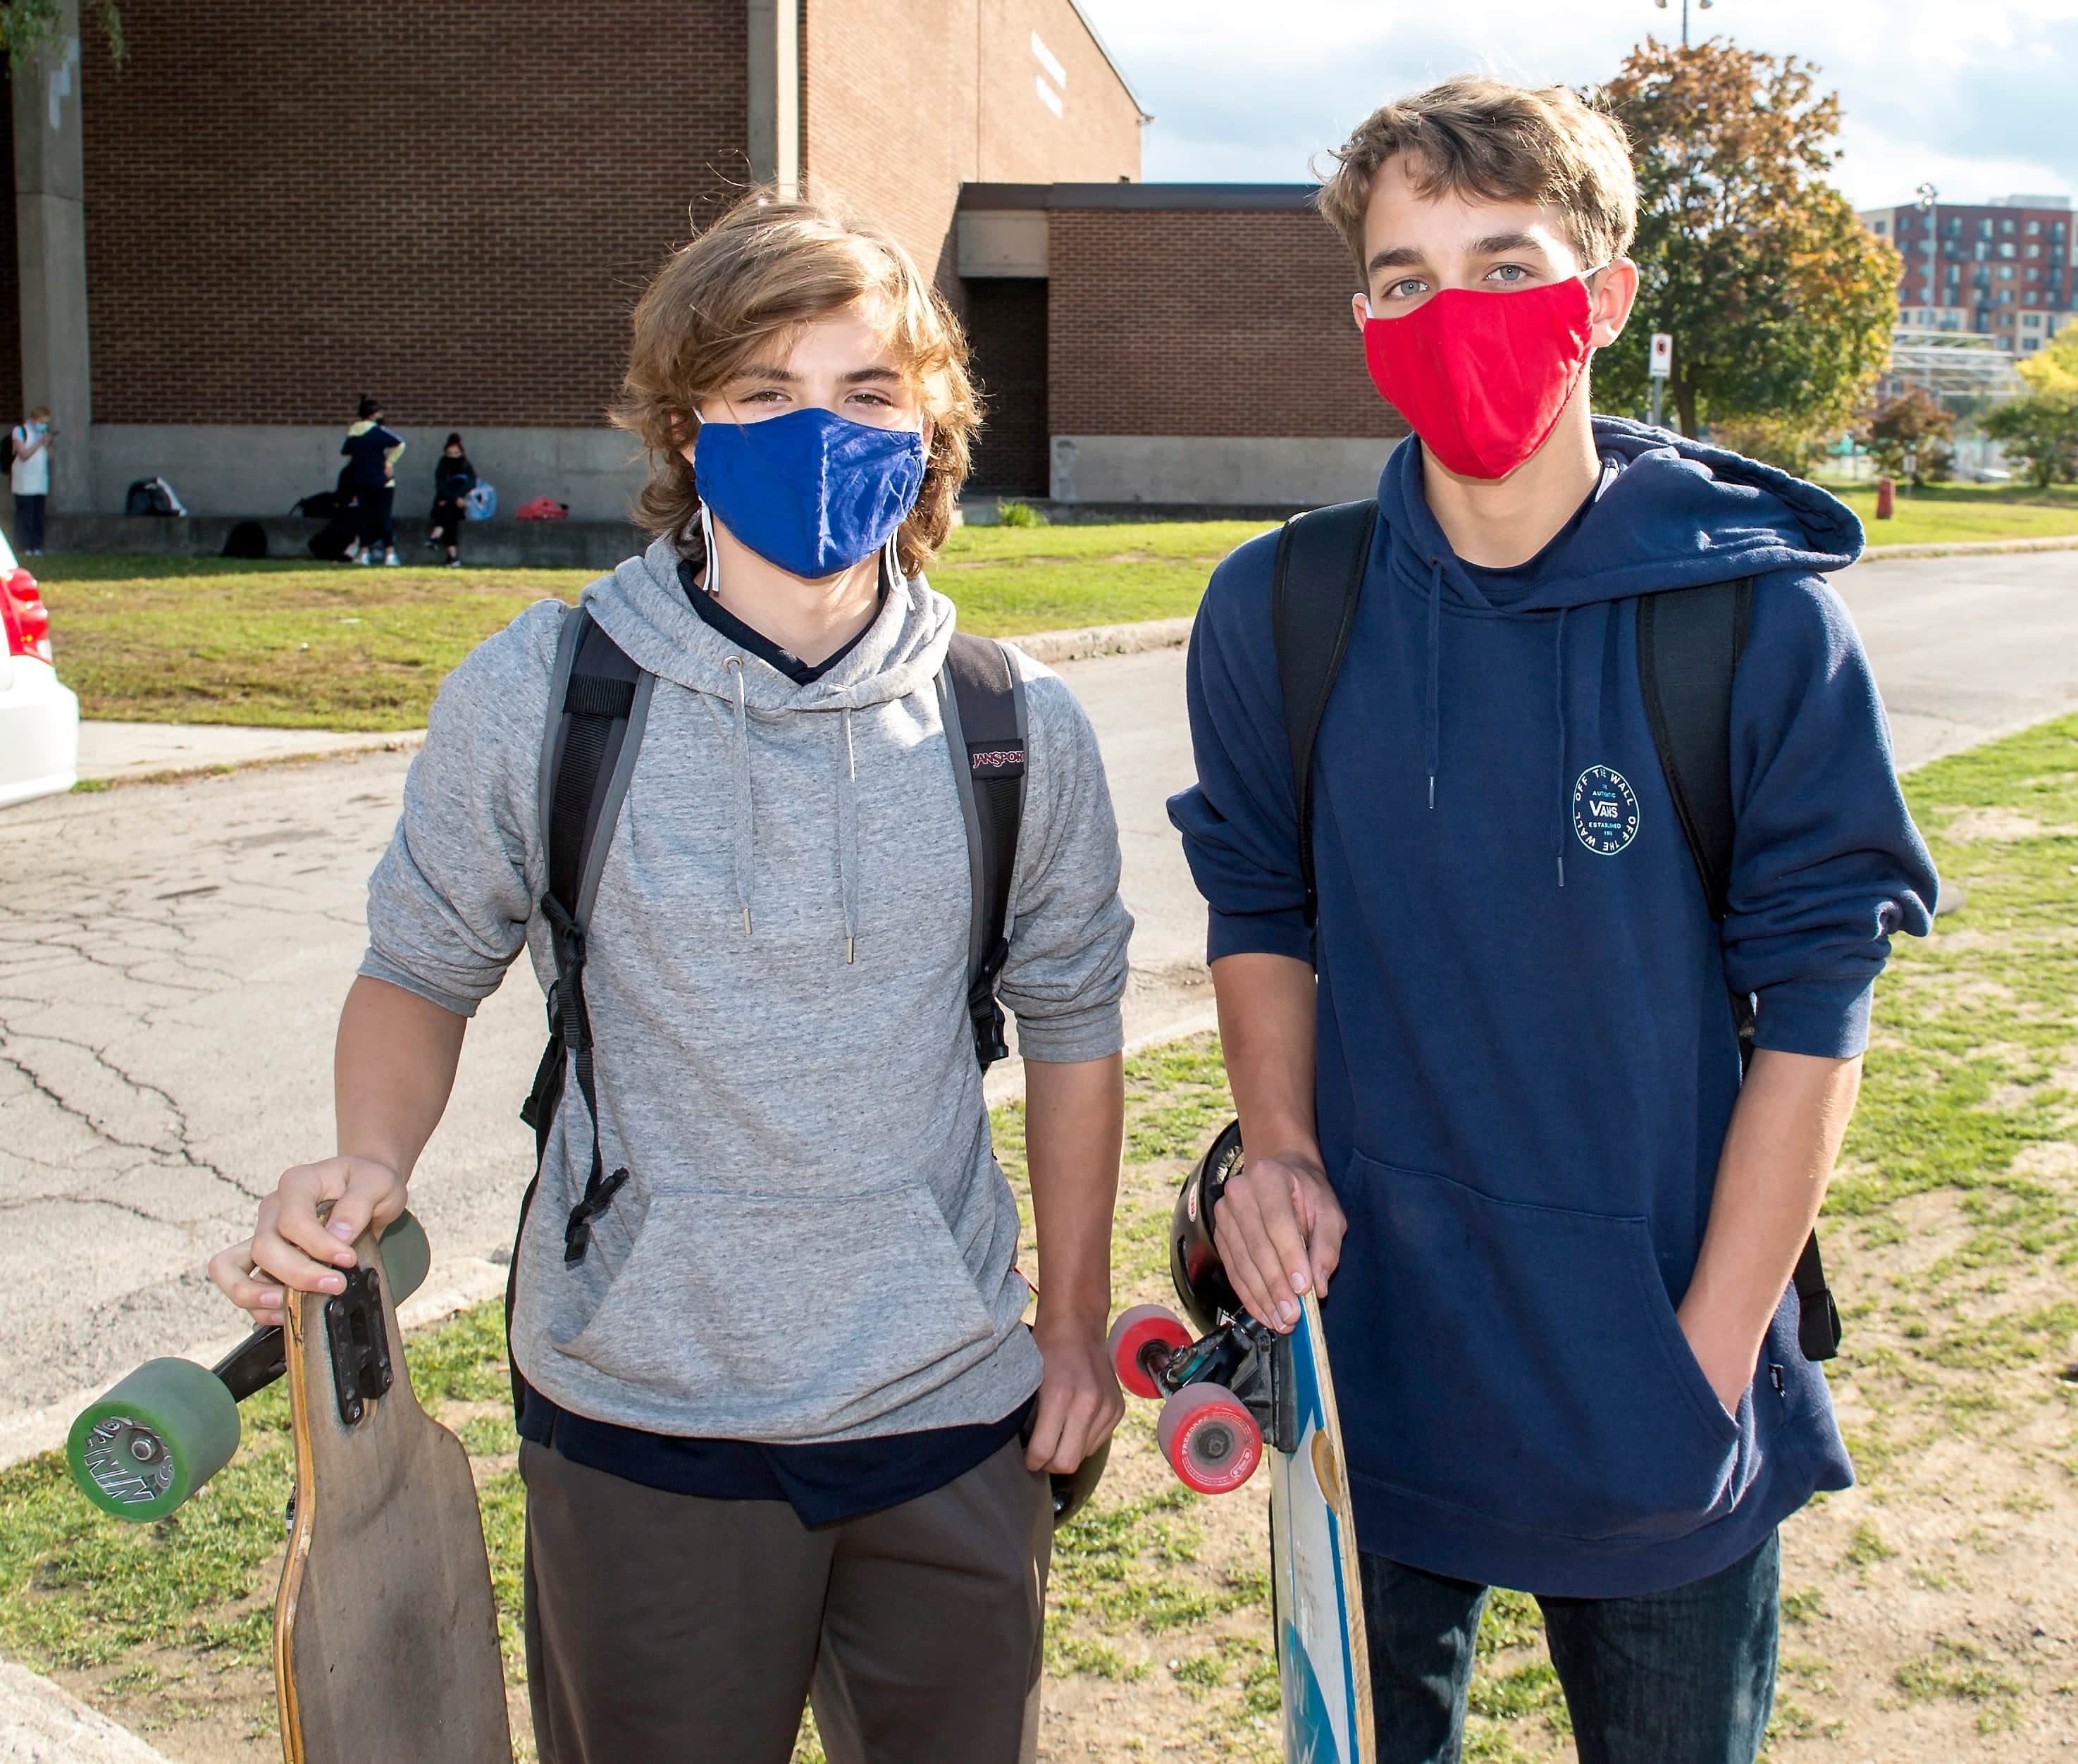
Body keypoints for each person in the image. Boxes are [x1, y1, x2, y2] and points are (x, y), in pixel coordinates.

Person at [209, 193, 1132, 1764]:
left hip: (948, 1405)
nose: (815, 427)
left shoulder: (1015, 722)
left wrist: (1071, 1323)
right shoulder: (545, 690)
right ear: (685, 424)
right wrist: (369, 1158)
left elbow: (1074, 1022)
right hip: (644, 1413)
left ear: (929, 428)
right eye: (763, 389)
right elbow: (421, 965)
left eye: (864, 390)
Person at [1168, 78, 1938, 1764]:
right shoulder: (1280, 610)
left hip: (1655, 1391)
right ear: (1361, 318)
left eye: (1505, 264)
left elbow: (1819, 1010)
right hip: (1369, 1382)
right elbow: (1260, 906)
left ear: (1602, 299)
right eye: (1401, 279)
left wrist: (1708, 1359)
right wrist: (1276, 1148)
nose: (1453, 315)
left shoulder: (1751, 622)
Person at [341, 395, 405, 565]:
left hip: (362, 478)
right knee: (384, 517)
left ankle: (363, 553)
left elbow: (346, 450)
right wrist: (389, 463)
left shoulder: (353, 432)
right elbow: (400, 443)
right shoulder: (377, 431)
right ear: (374, 414)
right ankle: (390, 554)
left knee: (364, 517)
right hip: (382, 480)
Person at [428, 432, 476, 567]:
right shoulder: (443, 466)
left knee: (449, 514)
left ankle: (436, 535)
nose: (453, 457)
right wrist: (453, 499)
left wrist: (456, 499)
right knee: (449, 517)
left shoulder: (466, 466)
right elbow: (441, 486)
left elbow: (470, 484)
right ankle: (452, 557)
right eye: (450, 454)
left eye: (456, 453)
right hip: (446, 503)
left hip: (459, 504)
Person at [11, 405, 51, 555]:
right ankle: (24, 547)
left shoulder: (43, 433)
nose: (43, 425)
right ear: (34, 420)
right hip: (24, 483)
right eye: (42, 421)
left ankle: (37, 546)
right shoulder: (20, 431)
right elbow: (24, 454)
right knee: (25, 516)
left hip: (40, 482)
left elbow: (50, 456)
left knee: (38, 516)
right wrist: (40, 442)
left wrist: (48, 443)